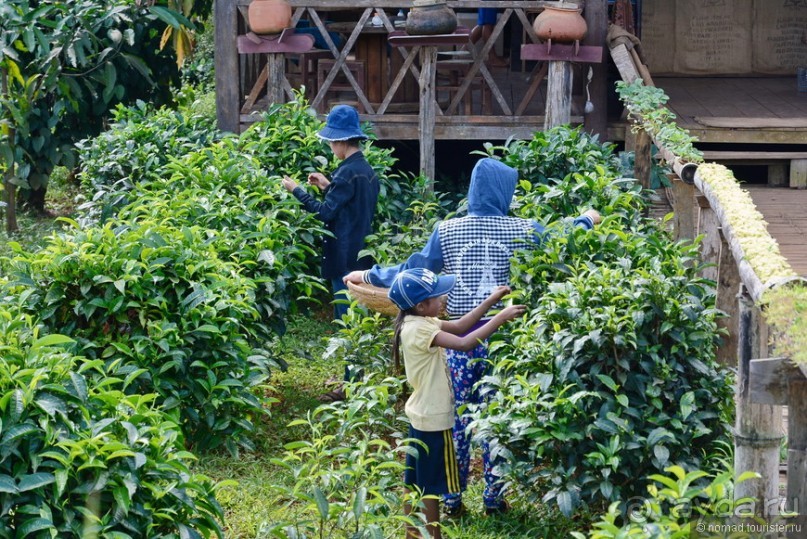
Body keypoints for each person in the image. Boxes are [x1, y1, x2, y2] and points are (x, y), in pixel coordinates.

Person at [344, 157, 601, 517]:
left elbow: (414, 271)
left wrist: (369, 274)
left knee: (458, 417)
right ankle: (495, 497)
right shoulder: (525, 229)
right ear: (503, 191)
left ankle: (451, 497)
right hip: (506, 344)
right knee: (499, 419)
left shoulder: (447, 230)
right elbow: (565, 240)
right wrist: (587, 219)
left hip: (458, 342)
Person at [388, 267, 525, 539]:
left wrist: (490, 301)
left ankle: (412, 534)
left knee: (415, 481)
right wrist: (501, 317)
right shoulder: (419, 330)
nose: (443, 300)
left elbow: (462, 325)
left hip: (422, 413)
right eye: (437, 297)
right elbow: (463, 342)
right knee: (431, 487)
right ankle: (431, 535)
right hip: (435, 418)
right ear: (421, 305)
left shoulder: (418, 322)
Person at [282, 105, 379, 399]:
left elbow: (325, 215)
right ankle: (355, 383)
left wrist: (296, 190)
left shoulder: (347, 173)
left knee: (347, 324)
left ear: (340, 142)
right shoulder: (364, 171)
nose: (331, 146)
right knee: (356, 323)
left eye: (331, 142)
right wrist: (327, 185)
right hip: (362, 257)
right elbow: (348, 208)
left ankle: (351, 388)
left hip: (343, 259)